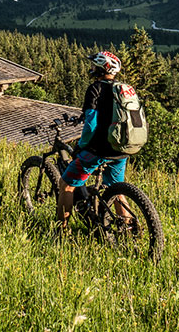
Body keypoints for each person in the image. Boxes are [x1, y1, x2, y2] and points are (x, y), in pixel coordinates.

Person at [56, 50, 130, 232]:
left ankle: (61, 232)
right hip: (122, 149)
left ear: (100, 68)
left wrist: (81, 146)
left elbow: (90, 125)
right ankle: (129, 228)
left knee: (66, 185)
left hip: (100, 150)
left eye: (94, 66)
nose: (91, 68)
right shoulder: (123, 89)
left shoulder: (95, 89)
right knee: (116, 189)